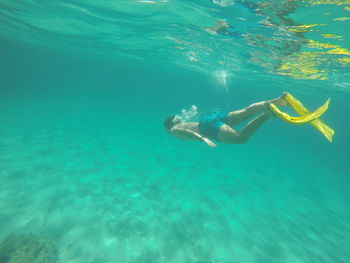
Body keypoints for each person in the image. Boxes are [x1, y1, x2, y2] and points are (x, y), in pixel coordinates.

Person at [164, 94, 288, 147]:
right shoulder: (181, 124)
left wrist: (203, 139)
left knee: (240, 138)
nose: (179, 117)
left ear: (170, 125)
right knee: (246, 112)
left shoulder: (173, 130)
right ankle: (280, 100)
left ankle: (267, 114)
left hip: (208, 128)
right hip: (210, 119)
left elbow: (187, 133)